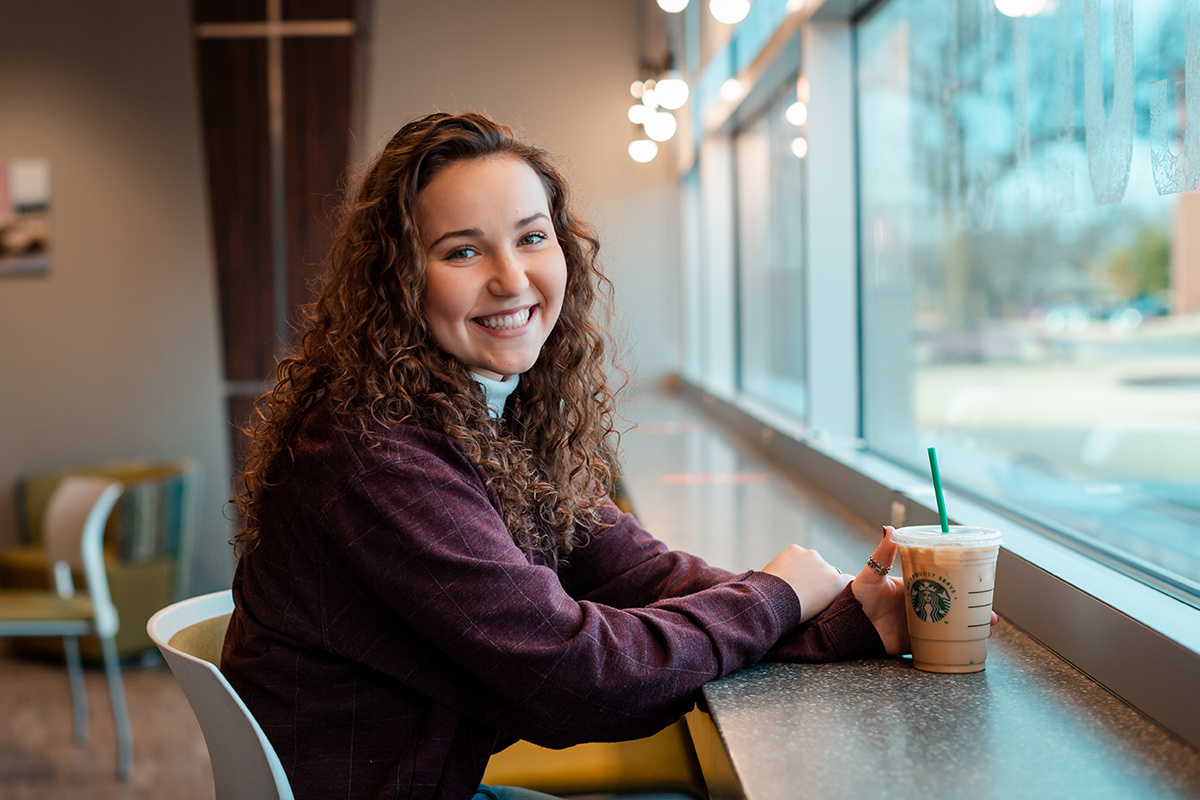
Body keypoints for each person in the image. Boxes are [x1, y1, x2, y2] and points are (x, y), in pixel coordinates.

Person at [222, 111, 910, 800]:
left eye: (531, 238)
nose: (512, 278)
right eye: (463, 251)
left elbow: (641, 574)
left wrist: (840, 617)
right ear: (398, 281)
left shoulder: (497, 414)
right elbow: (577, 678)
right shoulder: (371, 451)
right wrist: (776, 597)